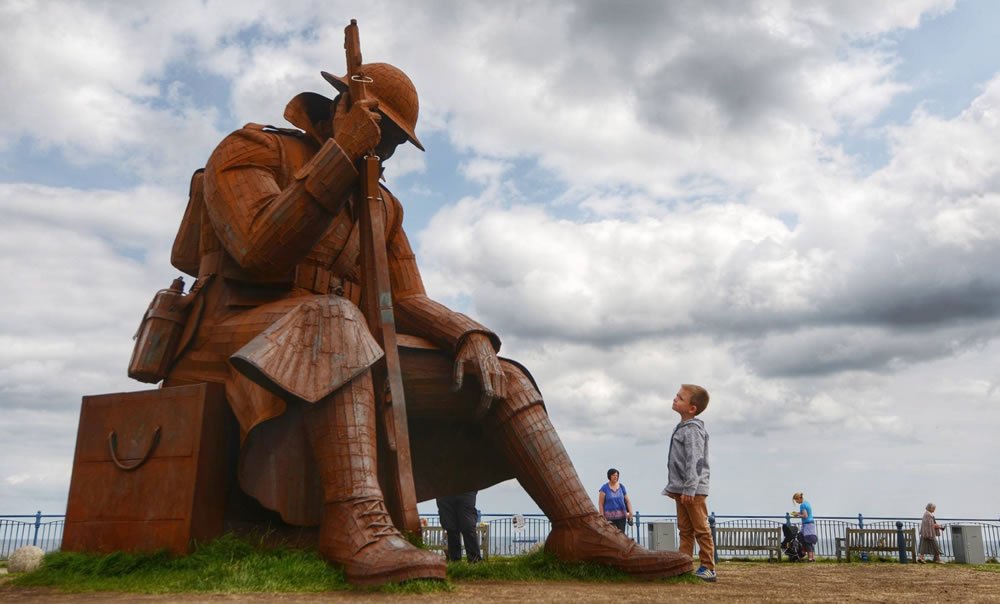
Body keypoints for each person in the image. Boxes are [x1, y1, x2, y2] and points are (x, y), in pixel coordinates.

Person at [158, 60, 691, 585]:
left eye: (393, 140)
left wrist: (468, 333)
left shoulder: (382, 205)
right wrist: (340, 155)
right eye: (379, 130)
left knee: (502, 377)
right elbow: (258, 251)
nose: (384, 148)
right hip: (233, 333)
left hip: (334, 341)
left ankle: (580, 529)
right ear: (344, 105)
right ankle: (355, 521)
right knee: (336, 319)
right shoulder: (254, 149)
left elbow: (406, 300)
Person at [662, 384, 716, 582]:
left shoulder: (693, 430)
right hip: (682, 489)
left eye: (680, 398)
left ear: (692, 408)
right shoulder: (682, 428)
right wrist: (673, 487)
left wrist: (689, 487)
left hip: (693, 490)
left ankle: (708, 567)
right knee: (684, 529)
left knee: (701, 528)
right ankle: (684, 565)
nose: (675, 399)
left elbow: (695, 461)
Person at [436, 491, 482, 562]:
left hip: (464, 489)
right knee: (451, 529)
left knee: (468, 527)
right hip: (444, 491)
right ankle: (455, 561)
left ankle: (474, 560)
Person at [598, 468, 633, 533]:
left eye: (617, 475)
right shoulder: (604, 488)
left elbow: (627, 501)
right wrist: (602, 516)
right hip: (609, 518)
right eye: (613, 475)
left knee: (621, 536)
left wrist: (630, 512)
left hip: (621, 517)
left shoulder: (622, 487)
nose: (615, 477)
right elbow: (601, 503)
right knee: (611, 537)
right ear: (609, 476)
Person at [791, 492, 817, 561]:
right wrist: (798, 513)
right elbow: (805, 513)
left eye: (796, 500)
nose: (796, 502)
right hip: (810, 524)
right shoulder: (806, 503)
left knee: (808, 541)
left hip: (807, 524)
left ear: (799, 498)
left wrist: (798, 515)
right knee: (801, 536)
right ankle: (810, 556)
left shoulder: (802, 505)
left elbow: (805, 516)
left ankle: (810, 558)